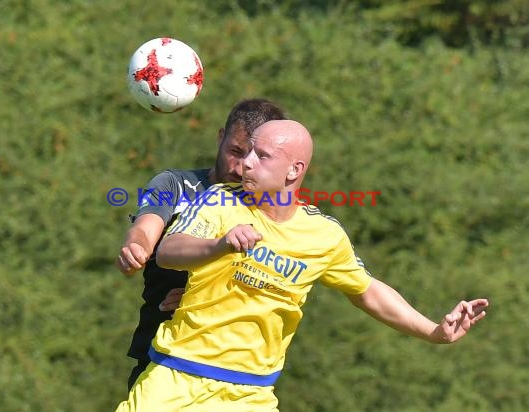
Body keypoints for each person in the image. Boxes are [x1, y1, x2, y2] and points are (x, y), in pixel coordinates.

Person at [115, 119, 489, 411]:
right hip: (176, 377)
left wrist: (435, 331)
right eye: (245, 153)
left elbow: (368, 291)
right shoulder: (219, 201)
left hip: (252, 396)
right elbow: (169, 250)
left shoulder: (323, 235)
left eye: (261, 156)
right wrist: (220, 245)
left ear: (294, 171)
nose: (245, 163)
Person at [117, 98, 287, 390]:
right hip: (161, 359)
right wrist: (136, 247)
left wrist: (201, 299)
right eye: (235, 151)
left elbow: (276, 284)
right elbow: (145, 227)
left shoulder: (273, 209)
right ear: (220, 137)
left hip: (236, 374)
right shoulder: (174, 185)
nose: (240, 166)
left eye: (253, 157)